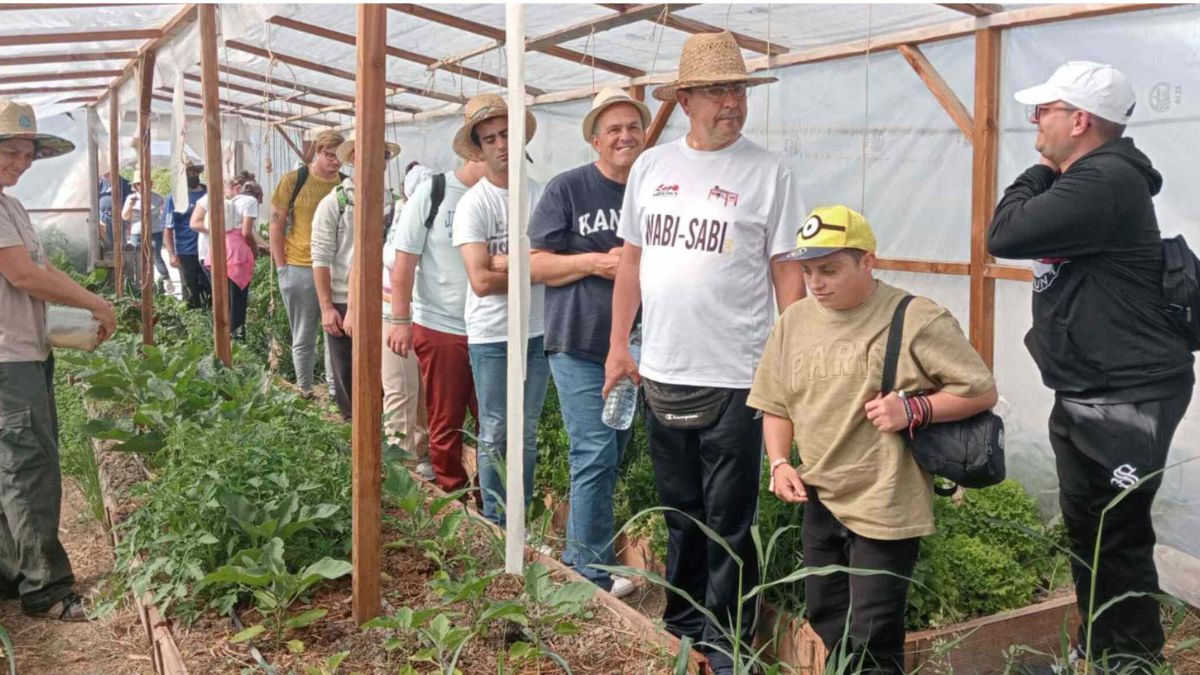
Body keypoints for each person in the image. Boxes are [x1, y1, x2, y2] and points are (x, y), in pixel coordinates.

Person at [603, 31, 807, 674]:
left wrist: (789, 358)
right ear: (686, 99)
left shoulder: (770, 172)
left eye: (739, 89)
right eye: (718, 90)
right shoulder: (652, 167)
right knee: (680, 511)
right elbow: (632, 260)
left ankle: (726, 639)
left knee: (729, 518)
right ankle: (682, 621)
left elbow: (786, 272)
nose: (732, 102)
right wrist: (617, 345)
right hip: (663, 368)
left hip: (737, 375)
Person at [987, 62, 1194, 673]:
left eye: (1045, 110)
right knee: (1090, 530)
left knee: (1116, 538)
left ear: (1079, 120)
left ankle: (1129, 660)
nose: (1033, 121)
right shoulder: (1096, 178)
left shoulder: (1105, 180)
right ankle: (1098, 649)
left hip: (1128, 398)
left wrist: (1043, 170)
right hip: (1090, 391)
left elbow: (1003, 232)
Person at [750, 205, 998, 674]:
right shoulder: (795, 321)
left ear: (868, 261)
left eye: (830, 269)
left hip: (886, 497)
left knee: (873, 635)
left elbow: (981, 390)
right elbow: (776, 402)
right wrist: (780, 462)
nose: (816, 282)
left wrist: (915, 409)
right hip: (820, 494)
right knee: (827, 619)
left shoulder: (914, 318)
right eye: (807, 271)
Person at [528, 87, 650, 599]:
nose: (625, 136)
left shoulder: (652, 189)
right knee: (595, 452)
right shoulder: (569, 188)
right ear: (595, 139)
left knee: (610, 451)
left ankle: (587, 554)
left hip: (640, 346)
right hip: (578, 344)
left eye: (633, 128)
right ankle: (587, 574)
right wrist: (596, 263)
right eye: (614, 129)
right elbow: (534, 264)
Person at [0, 98, 117, 621]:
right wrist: (94, 302)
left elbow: (37, 274)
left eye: (28, 154)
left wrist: (73, 315)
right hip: (8, 360)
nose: (21, 163)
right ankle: (46, 590)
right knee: (29, 469)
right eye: (11, 151)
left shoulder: (11, 207)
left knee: (13, 466)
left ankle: (13, 574)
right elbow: (24, 277)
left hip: (24, 352)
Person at [451, 93, 548, 527]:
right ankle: (494, 518)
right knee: (494, 429)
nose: (501, 144)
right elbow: (481, 281)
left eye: (507, 133)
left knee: (525, 431)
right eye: (490, 138)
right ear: (480, 148)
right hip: (492, 333)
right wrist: (536, 265)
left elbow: (558, 264)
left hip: (537, 330)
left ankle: (519, 519)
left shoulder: (542, 196)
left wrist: (512, 262)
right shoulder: (475, 203)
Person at [387, 155, 487, 489]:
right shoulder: (436, 192)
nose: (501, 148)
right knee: (446, 418)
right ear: (473, 149)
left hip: (492, 327)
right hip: (442, 325)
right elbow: (403, 261)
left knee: (494, 420)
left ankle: (493, 503)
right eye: (490, 140)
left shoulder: (505, 191)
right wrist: (401, 320)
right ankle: (452, 493)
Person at [310, 136, 400, 420]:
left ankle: (381, 429)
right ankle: (352, 429)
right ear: (353, 159)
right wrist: (327, 308)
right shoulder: (335, 202)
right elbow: (321, 258)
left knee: (383, 369)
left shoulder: (394, 204)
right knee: (347, 371)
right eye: (371, 153)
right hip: (342, 299)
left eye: (383, 155)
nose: (379, 160)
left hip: (384, 300)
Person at [269, 130, 345, 397]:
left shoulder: (345, 185)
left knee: (335, 334)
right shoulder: (295, 180)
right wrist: (282, 268)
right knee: (304, 334)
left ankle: (336, 392)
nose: (335, 162)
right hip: (300, 267)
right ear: (316, 151)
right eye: (330, 155)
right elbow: (276, 225)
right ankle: (305, 390)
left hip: (336, 270)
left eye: (340, 157)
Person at [190, 171, 259, 341]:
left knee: (229, 298)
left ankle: (229, 337)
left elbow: (247, 231)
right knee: (228, 298)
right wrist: (221, 230)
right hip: (214, 251)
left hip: (224, 253)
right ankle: (230, 338)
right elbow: (195, 223)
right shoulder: (210, 199)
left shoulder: (233, 202)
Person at [164, 161, 209, 309]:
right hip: (186, 250)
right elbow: (168, 228)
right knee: (190, 289)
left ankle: (212, 319)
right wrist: (171, 253)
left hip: (208, 250)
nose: (192, 176)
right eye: (188, 173)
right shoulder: (175, 197)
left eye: (195, 172)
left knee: (210, 288)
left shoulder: (208, 193)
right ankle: (194, 320)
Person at [121, 175, 171, 294]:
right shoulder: (131, 198)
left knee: (155, 255)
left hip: (155, 231)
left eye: (144, 183)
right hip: (137, 231)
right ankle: (141, 283)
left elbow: (164, 214)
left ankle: (166, 279)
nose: (141, 186)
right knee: (138, 257)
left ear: (150, 184)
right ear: (135, 186)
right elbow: (124, 217)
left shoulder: (157, 197)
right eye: (138, 184)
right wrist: (130, 206)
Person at [98, 170, 130, 254]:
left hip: (117, 219)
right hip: (102, 218)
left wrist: (128, 221)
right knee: (105, 244)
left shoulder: (125, 184)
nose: (104, 174)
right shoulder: (100, 183)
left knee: (119, 244)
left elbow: (130, 203)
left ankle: (120, 263)